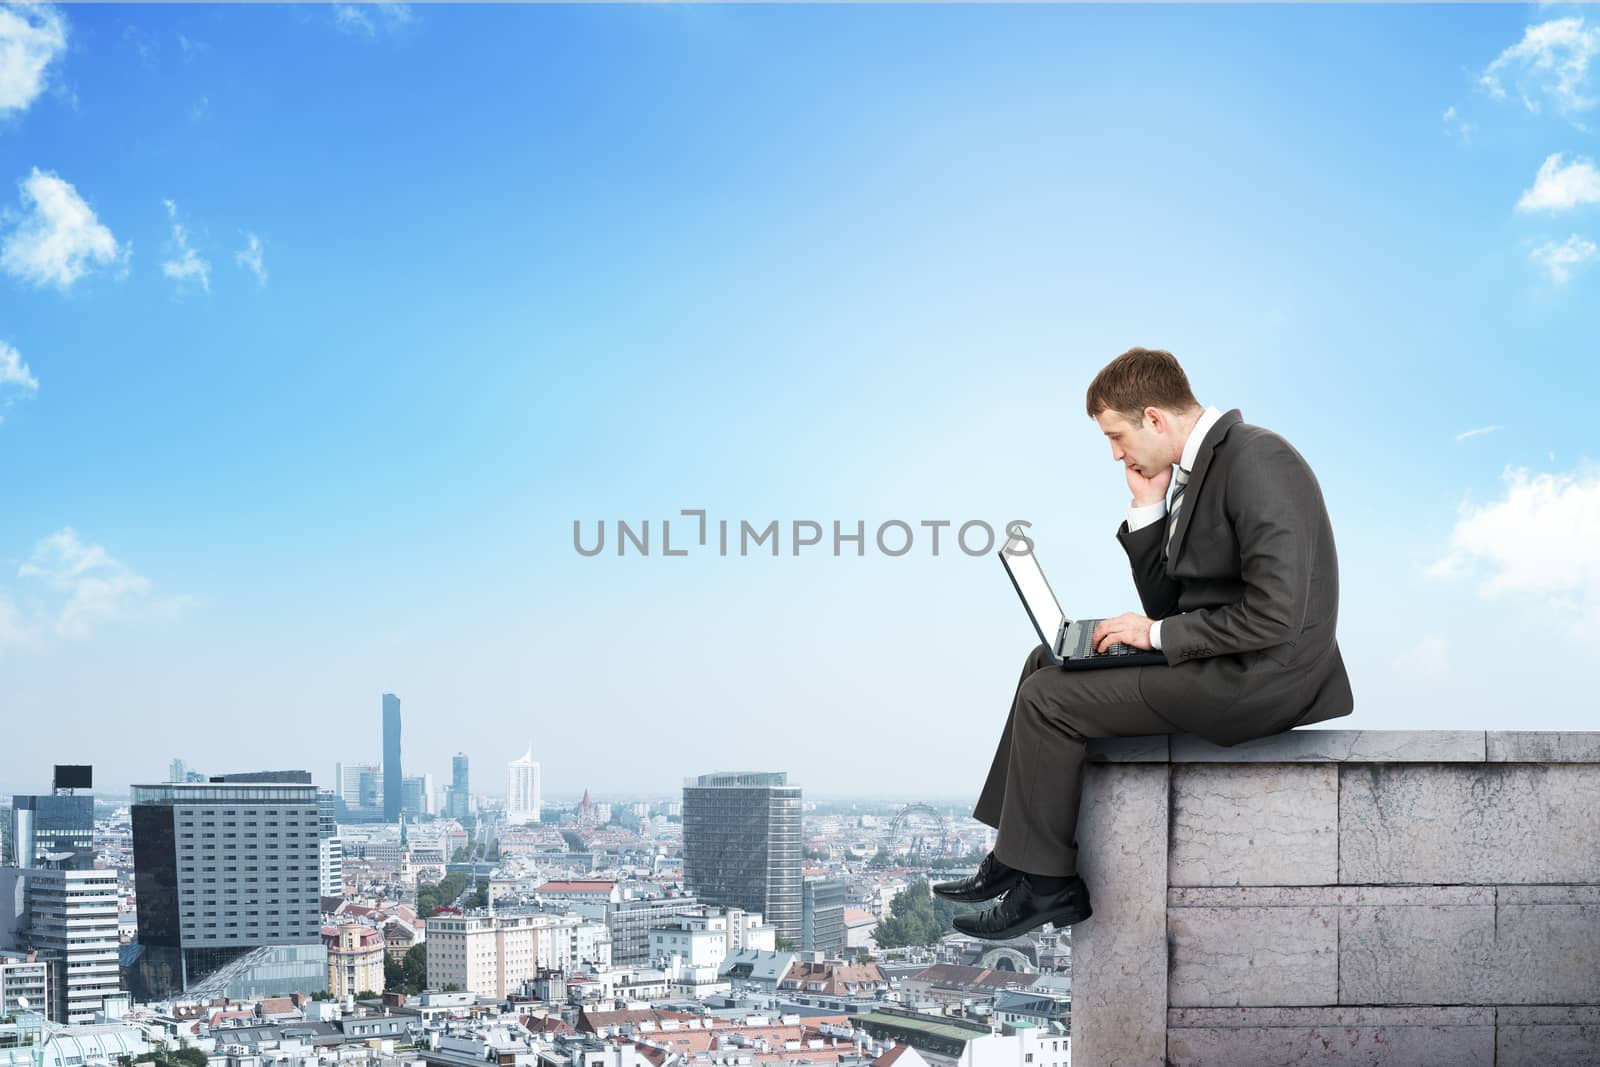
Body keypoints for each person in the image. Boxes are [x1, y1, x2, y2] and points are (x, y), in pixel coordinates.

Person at [937, 347, 1354, 940]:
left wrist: (1152, 635)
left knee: (1049, 698)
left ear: (1154, 418)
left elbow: (1277, 615)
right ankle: (1015, 856)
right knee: (1045, 662)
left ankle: (1050, 887)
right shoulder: (1200, 469)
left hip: (1262, 678)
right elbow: (1171, 603)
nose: (1115, 453)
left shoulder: (1258, 459)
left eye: (1116, 436)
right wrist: (1147, 507)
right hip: (1226, 657)